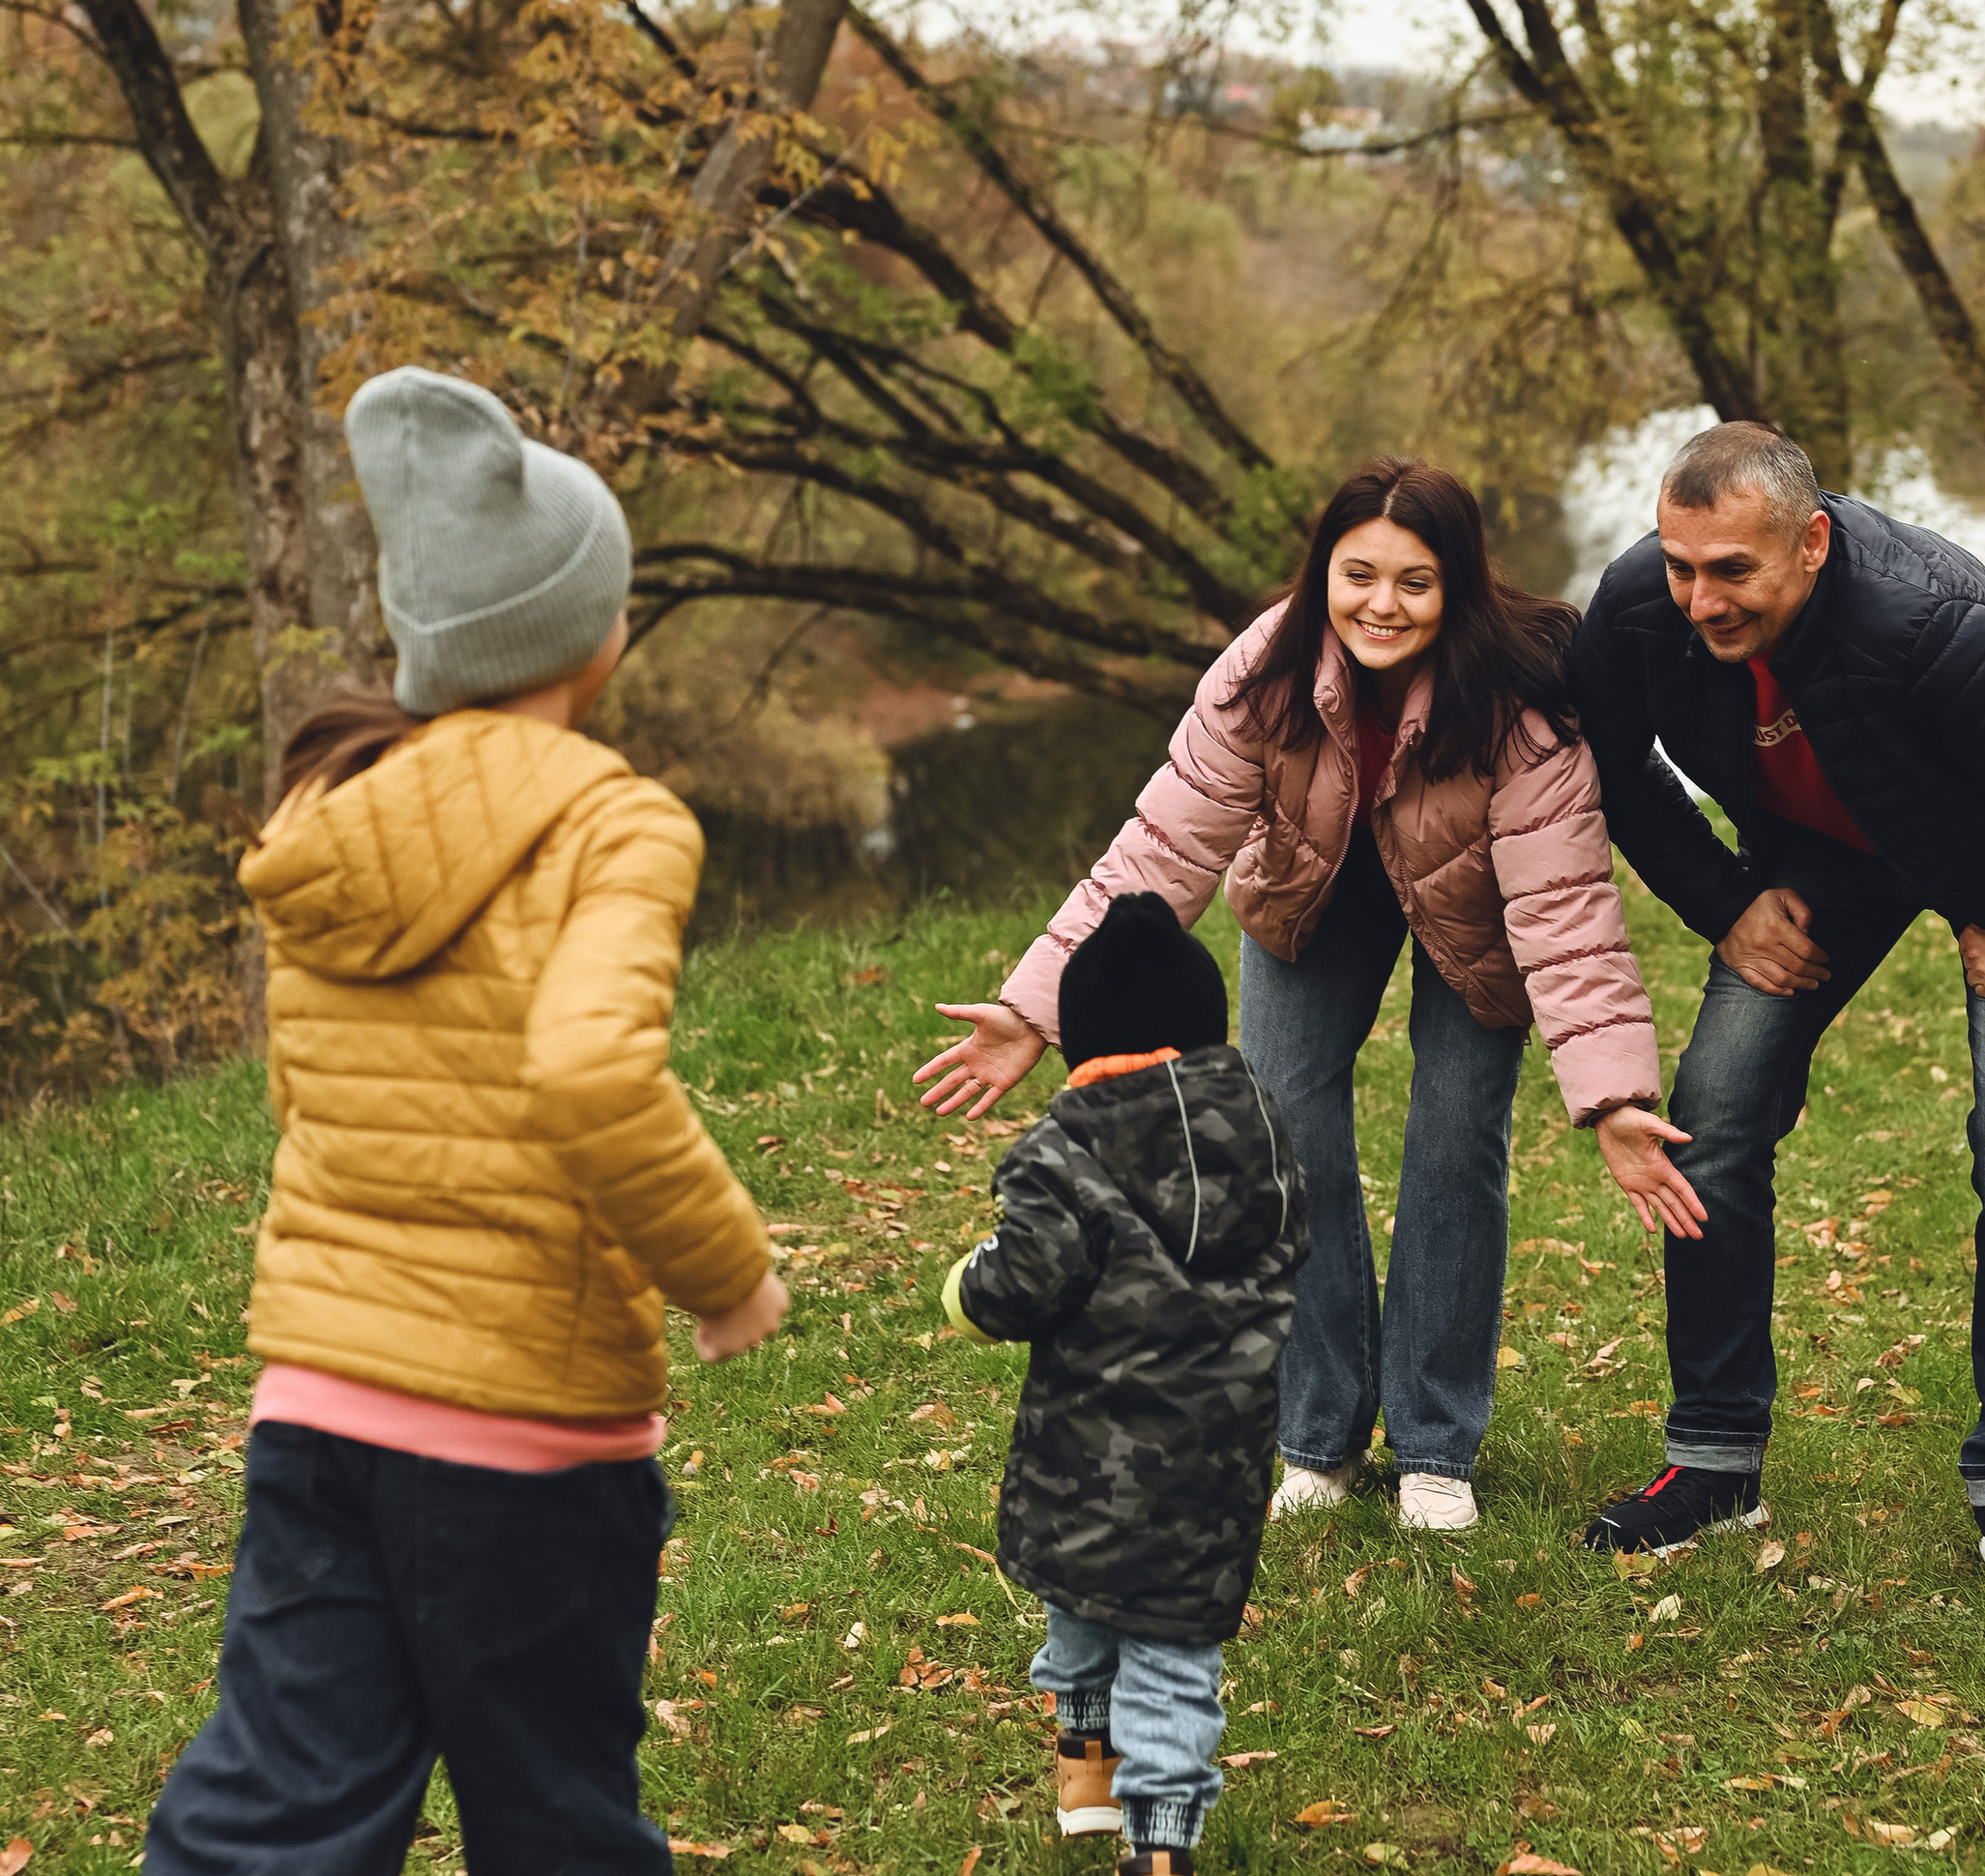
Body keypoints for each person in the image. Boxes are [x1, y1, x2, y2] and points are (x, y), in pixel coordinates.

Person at [148, 367, 790, 1875]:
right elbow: (588, 1073)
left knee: (279, 1812)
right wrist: (725, 1274)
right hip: (525, 1432)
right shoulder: (614, 816)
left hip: (318, 1406)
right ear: (592, 626)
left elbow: (315, 1108)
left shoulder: (326, 814)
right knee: (557, 1818)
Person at [919, 457, 1705, 1535]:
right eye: (1358, 574)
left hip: (1475, 903)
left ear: (1457, 587)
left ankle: (1434, 1445)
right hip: (1310, 886)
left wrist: (1611, 1098)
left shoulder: (1522, 702)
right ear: (1322, 573)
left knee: (1451, 1140)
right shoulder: (1270, 669)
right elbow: (1161, 846)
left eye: (1414, 581)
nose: (1381, 604)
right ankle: (1318, 1433)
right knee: (1284, 1129)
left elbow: (1563, 908)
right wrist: (1037, 1002)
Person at [1567, 420, 1985, 1598]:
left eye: (1733, 571)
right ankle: (1713, 1459)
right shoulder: (1633, 613)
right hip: (1816, 862)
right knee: (1713, 1112)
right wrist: (1728, 904)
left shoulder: (1927, 623)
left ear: (1813, 544)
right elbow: (1613, 770)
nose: (1699, 600)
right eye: (1680, 563)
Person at [942, 890, 1310, 1876]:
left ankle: (1088, 1763)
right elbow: (1297, 1245)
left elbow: (1021, 1283)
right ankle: (1156, 1839)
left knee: (1082, 1594)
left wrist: (966, 1289)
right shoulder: (1264, 1132)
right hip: (1218, 1455)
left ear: (1085, 1044)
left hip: (1085, 1457)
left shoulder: (1063, 1151)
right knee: (1174, 1645)